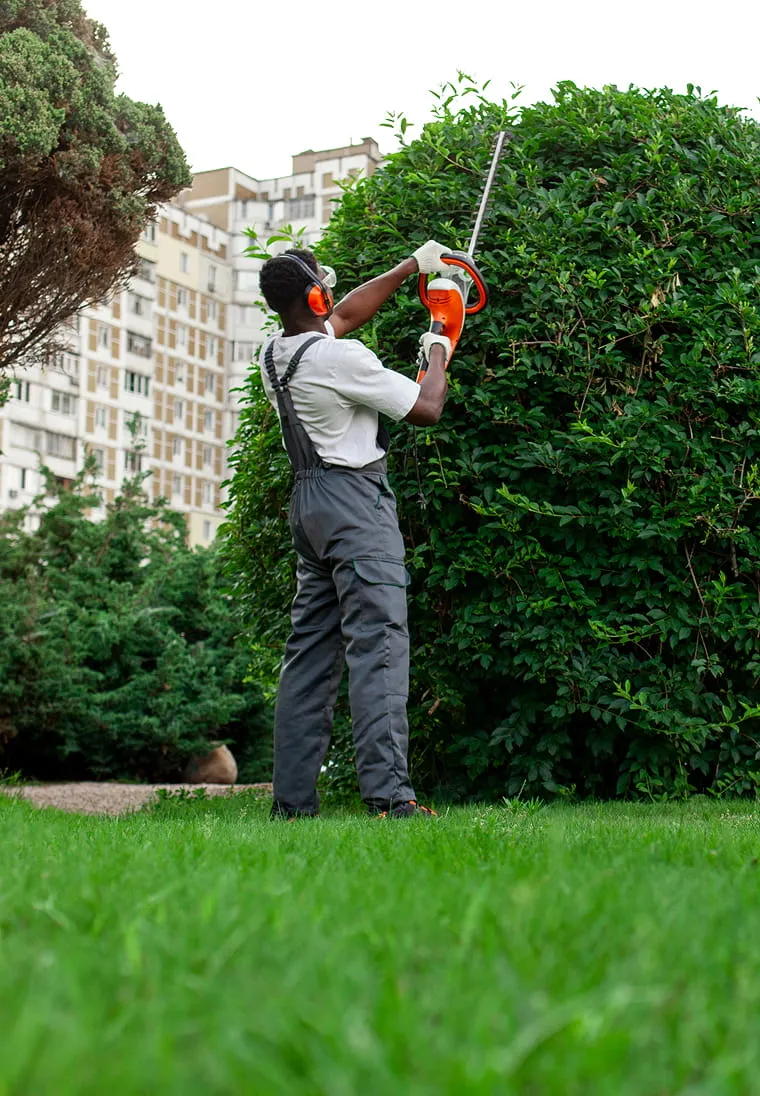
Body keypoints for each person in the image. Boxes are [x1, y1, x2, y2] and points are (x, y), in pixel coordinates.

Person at [258, 241, 457, 819]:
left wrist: (411, 268)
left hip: (309, 505)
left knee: (309, 657)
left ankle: (292, 805)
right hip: (355, 505)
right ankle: (391, 799)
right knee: (379, 645)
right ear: (315, 294)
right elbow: (426, 407)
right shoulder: (340, 361)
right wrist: (439, 341)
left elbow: (340, 318)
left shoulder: (276, 353)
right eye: (325, 282)